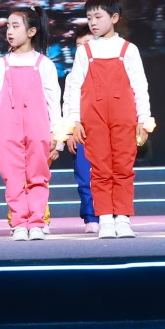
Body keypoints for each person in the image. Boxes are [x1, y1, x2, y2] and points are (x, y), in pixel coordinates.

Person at [65, 0, 154, 238]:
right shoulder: (85, 52)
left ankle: (122, 217)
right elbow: (74, 87)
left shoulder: (128, 49)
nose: (93, 22)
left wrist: (143, 120)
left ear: (114, 18)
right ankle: (104, 217)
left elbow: (140, 86)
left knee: (123, 166)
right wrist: (74, 121)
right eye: (89, 18)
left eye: (98, 17)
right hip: (93, 118)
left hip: (124, 116)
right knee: (100, 168)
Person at [0, 6, 63, 241]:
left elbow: (54, 101)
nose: (9, 31)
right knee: (13, 177)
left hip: (38, 127)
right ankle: (19, 222)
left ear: (31, 31)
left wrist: (57, 135)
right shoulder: (1, 65)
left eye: (15, 26)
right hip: (7, 129)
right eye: (8, 26)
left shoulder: (44, 64)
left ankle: (37, 222)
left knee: (38, 175)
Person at [67, 33, 99, 234]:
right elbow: (67, 104)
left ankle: (112, 214)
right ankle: (91, 216)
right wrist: (69, 132)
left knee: (107, 173)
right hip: (81, 131)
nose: (82, 49)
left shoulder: (104, 68)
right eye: (78, 45)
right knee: (84, 176)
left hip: (104, 128)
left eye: (86, 44)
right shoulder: (72, 77)